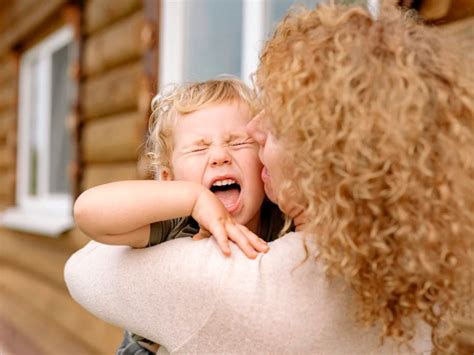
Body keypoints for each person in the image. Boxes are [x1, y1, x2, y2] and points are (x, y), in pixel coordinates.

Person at [65, 3, 473, 354]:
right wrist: (187, 198)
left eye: (274, 128)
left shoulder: (236, 287)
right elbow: (91, 209)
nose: (252, 136)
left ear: (319, 157)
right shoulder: (406, 262)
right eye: (199, 147)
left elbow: (83, 269)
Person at [72, 78, 287, 354]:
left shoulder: (281, 221)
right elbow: (87, 210)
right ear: (169, 179)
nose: (220, 156)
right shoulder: (175, 223)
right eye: (199, 148)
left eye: (238, 143)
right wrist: (193, 199)